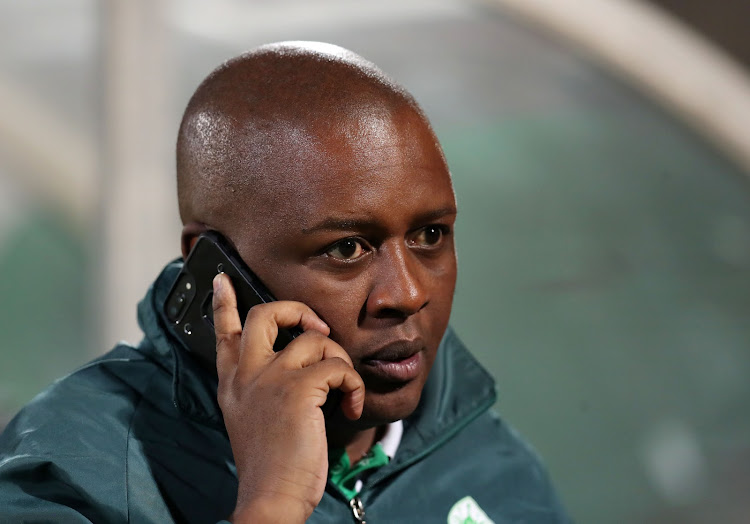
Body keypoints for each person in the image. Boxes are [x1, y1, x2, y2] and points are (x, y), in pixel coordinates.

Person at [0, 42, 570, 523]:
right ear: (214, 266)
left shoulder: (492, 461)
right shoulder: (70, 472)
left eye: (429, 236)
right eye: (347, 248)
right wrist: (271, 502)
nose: (407, 294)